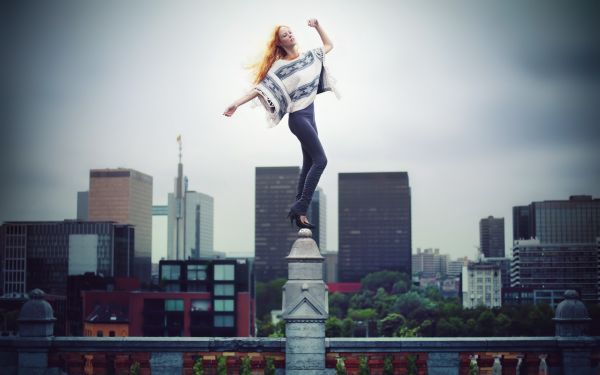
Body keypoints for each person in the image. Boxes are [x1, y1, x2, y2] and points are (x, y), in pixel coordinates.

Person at [223, 18, 338, 229]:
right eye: (284, 35)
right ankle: (300, 206)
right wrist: (236, 104)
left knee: (309, 163)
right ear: (280, 44)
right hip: (299, 119)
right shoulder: (279, 67)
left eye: (290, 32)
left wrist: (318, 26)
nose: (290, 35)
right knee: (321, 160)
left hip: (311, 117)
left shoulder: (310, 57)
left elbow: (329, 46)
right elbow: (260, 89)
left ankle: (299, 213)